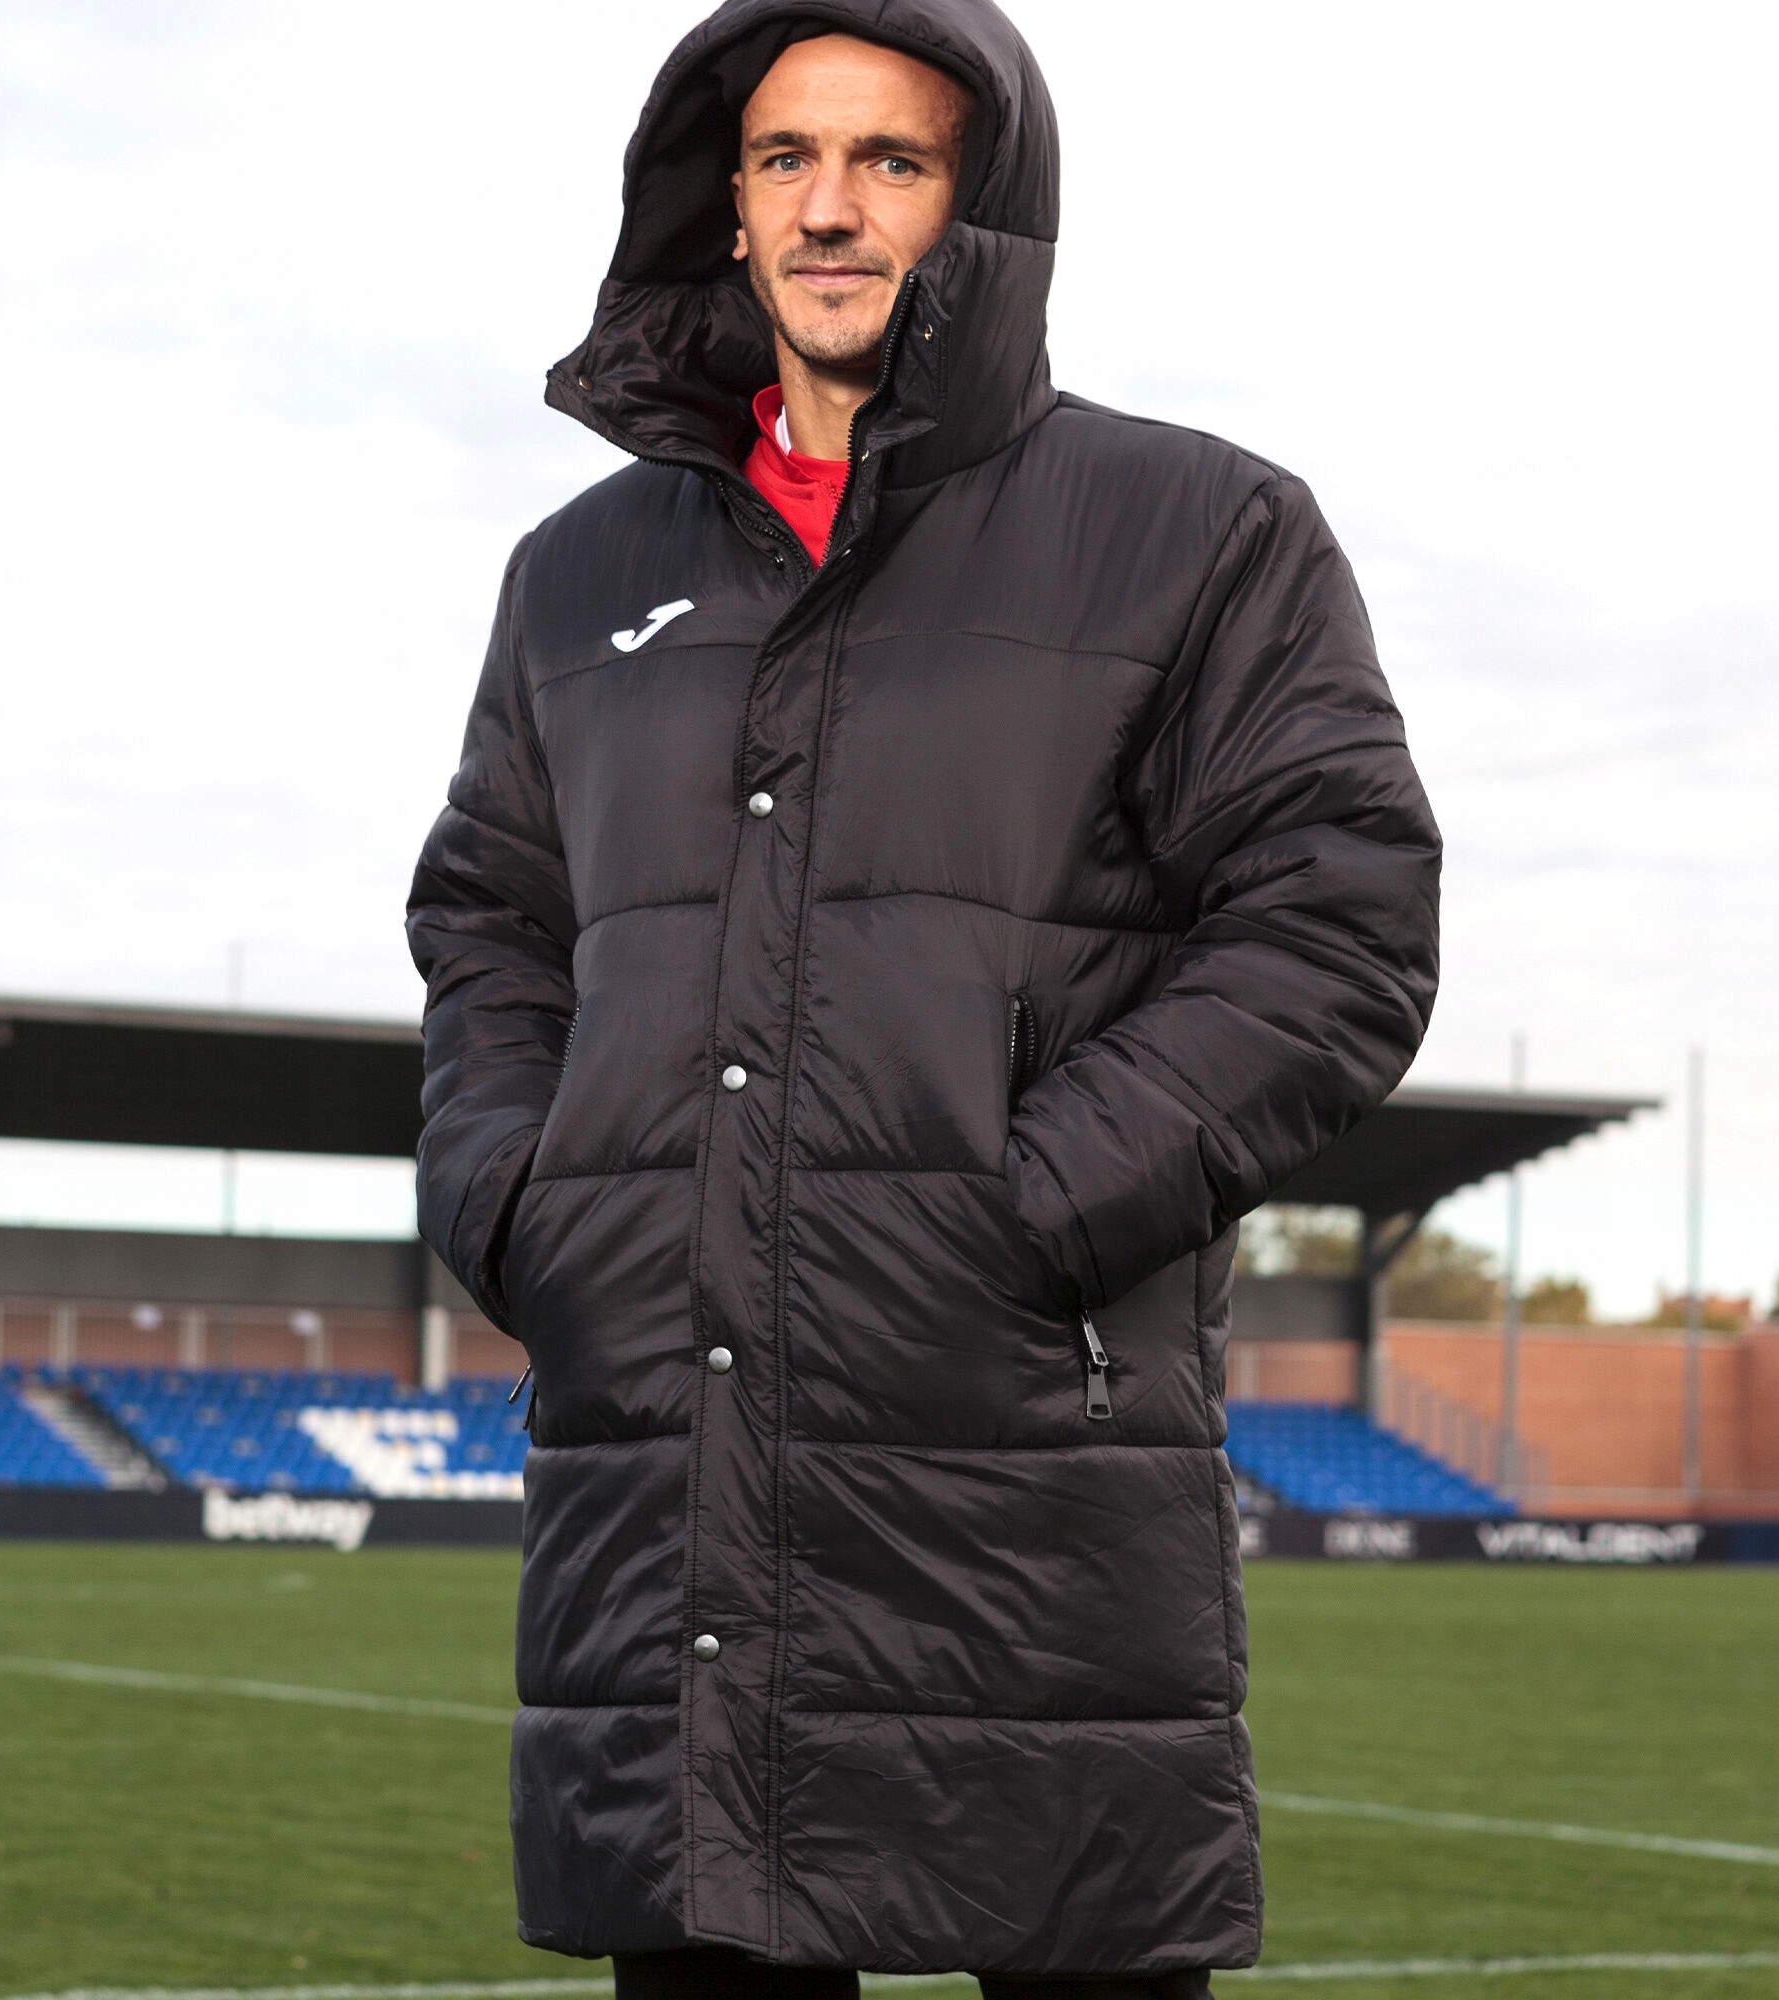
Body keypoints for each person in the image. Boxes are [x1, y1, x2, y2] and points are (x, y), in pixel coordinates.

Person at [407, 1, 1441, 1994]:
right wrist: (527, 1203)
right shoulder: (577, 575)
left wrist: (1022, 1203)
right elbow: (491, 928)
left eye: (890, 159)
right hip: (673, 1506)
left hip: (1028, 1489)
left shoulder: (1199, 530)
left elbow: (1338, 923)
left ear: (983, 209)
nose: (830, 207)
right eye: (785, 158)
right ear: (726, 206)